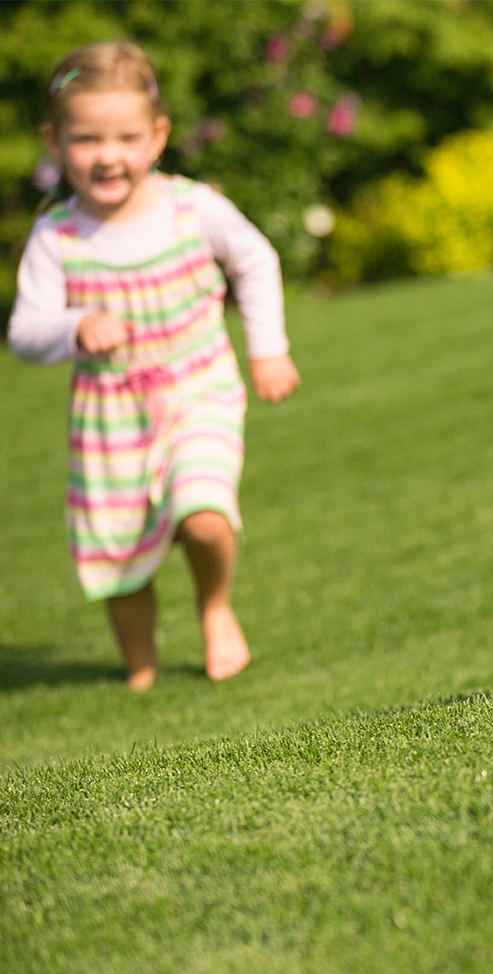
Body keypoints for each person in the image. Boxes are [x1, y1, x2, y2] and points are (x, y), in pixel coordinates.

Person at [8, 42, 299, 690]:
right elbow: (24, 332)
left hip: (199, 390)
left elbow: (254, 260)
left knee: (203, 513)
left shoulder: (193, 208)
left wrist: (268, 347)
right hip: (109, 417)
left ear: (158, 136)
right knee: (118, 552)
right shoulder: (56, 236)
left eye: (127, 137)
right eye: (86, 139)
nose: (109, 155)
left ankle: (215, 605)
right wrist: (75, 326)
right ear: (54, 141)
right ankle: (139, 660)